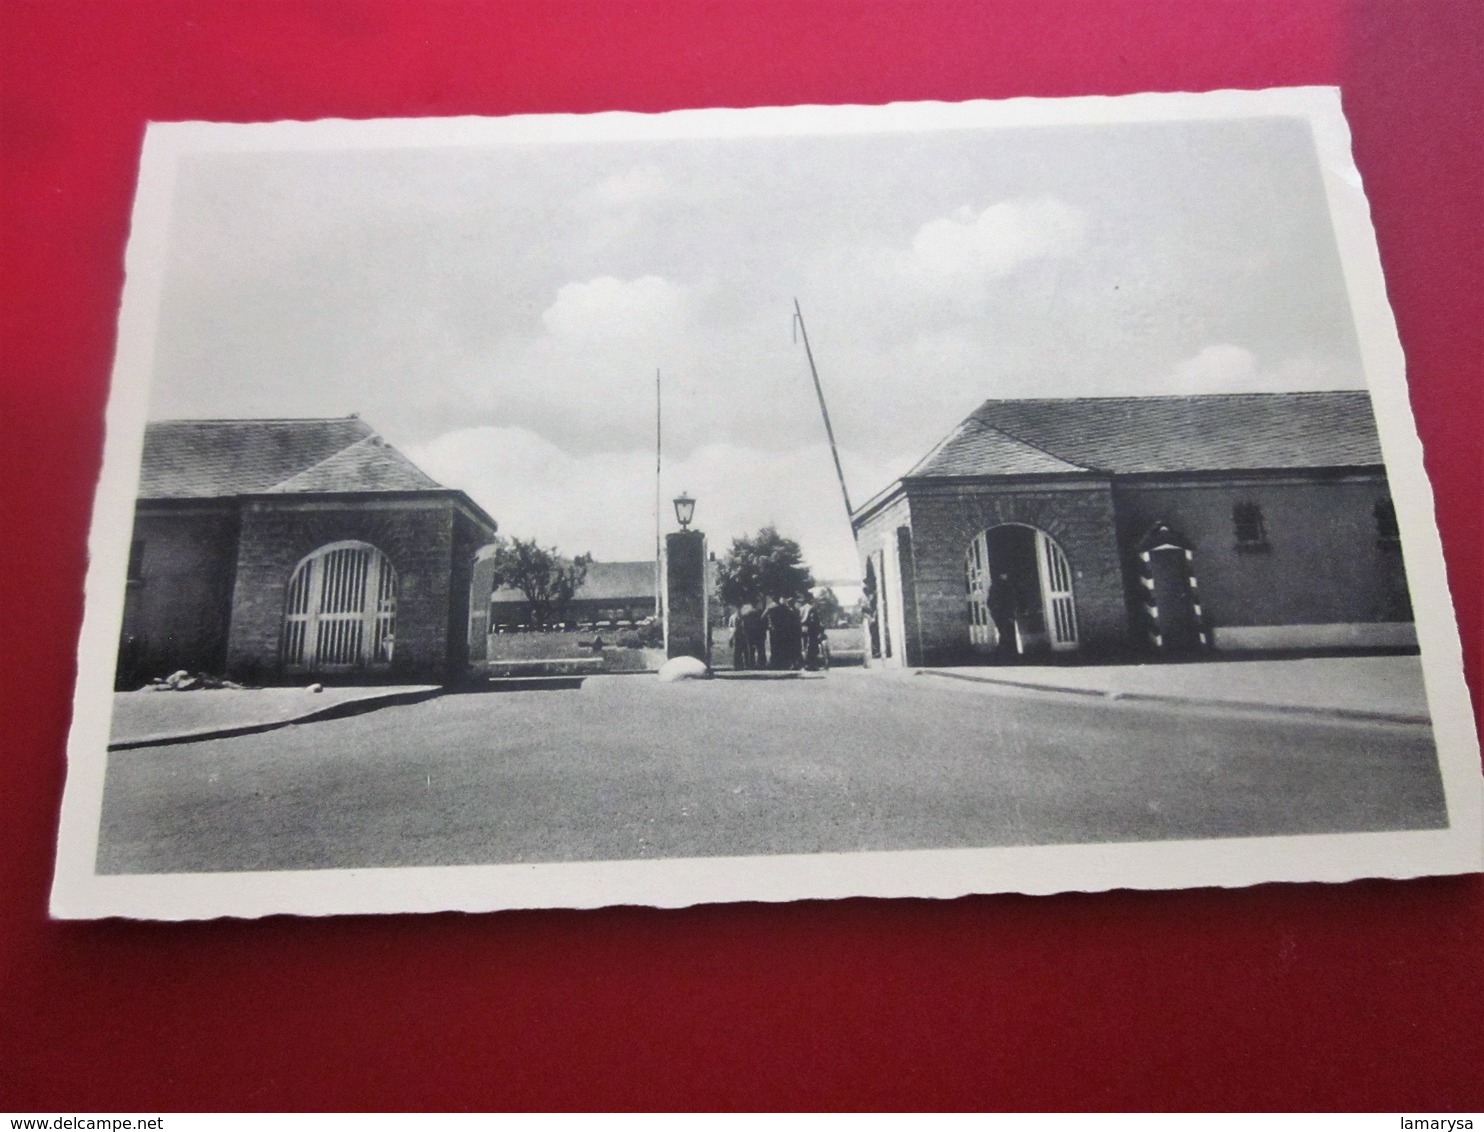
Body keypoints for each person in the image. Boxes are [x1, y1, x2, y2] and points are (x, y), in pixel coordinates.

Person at [987, 570, 1019, 660]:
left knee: (1004, 633)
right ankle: (1006, 653)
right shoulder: (1006, 586)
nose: (1005, 575)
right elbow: (1010, 601)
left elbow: (990, 602)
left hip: (1001, 614)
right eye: (1004, 574)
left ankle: (1003, 652)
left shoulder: (995, 587)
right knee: (1006, 633)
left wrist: (995, 612)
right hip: (1005, 613)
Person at [801, 598, 825, 671]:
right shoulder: (812, 609)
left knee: (805, 646)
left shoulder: (802, 608)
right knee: (812, 647)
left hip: (804, 629)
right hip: (811, 630)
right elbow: (813, 620)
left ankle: (806, 663)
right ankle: (811, 664)